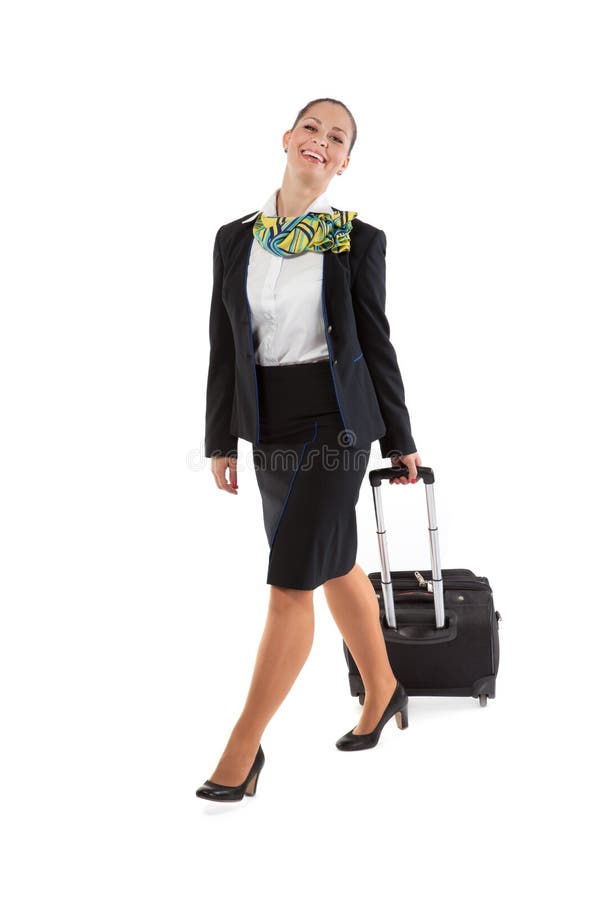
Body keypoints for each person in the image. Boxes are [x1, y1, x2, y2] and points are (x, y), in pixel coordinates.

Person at [196, 98, 422, 803]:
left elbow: (375, 342)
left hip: (336, 426)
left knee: (291, 579)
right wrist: (219, 437)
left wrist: (402, 437)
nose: (321, 141)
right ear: (287, 138)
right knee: (330, 563)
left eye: (338, 137)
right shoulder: (236, 238)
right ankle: (383, 687)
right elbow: (226, 344)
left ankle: (242, 749)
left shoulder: (357, 240)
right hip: (268, 425)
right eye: (312, 128)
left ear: (345, 161)